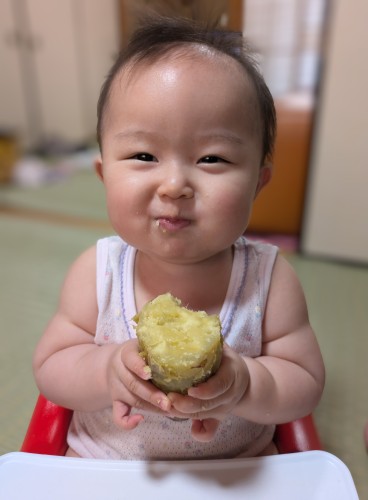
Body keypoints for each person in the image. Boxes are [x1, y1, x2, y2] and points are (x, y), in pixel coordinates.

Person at [33, 16, 325, 460]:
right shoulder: (98, 272)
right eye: (143, 155)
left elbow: (303, 383)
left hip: (234, 473)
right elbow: (51, 369)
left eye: (211, 158)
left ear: (258, 184)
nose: (173, 185)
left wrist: (247, 382)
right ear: (103, 174)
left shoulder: (269, 279)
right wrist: (106, 369)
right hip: (107, 467)